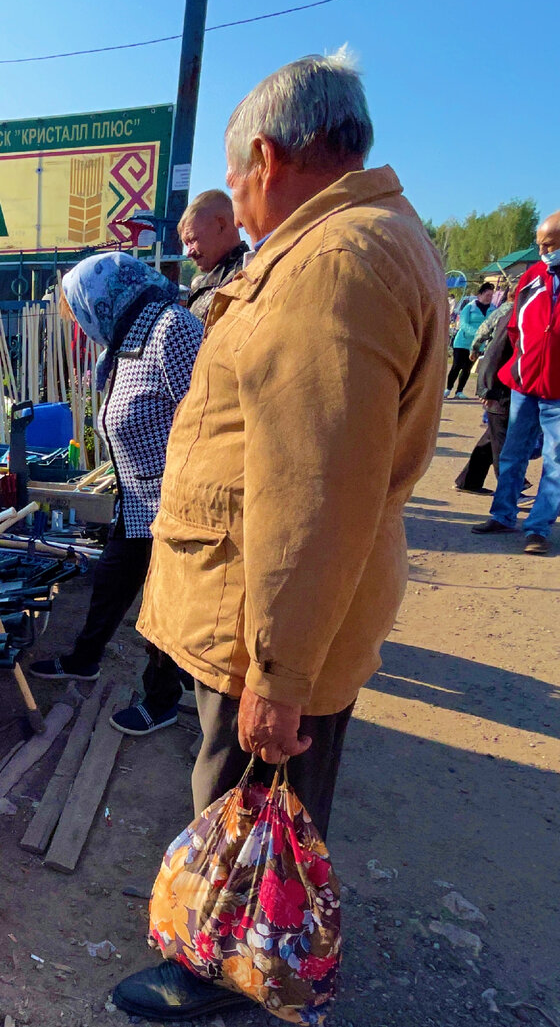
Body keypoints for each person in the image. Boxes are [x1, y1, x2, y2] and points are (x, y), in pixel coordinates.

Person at [112, 50, 446, 1022]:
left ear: (267, 155)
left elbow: (317, 489)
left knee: (247, 797)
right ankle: (255, 960)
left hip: (269, 622)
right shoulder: (347, 246)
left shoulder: (335, 264)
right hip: (270, 609)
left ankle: (226, 978)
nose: (239, 213)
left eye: (240, 190)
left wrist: (278, 672)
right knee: (270, 810)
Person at [28, 252, 203, 735]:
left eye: (81, 314)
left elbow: (208, 422)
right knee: (110, 584)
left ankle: (163, 697)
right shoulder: (130, 339)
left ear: (105, 298)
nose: (84, 328)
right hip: (137, 501)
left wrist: (183, 498)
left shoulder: (173, 330)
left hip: (175, 504)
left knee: (163, 608)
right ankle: (85, 659)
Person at [471, 211, 560, 555]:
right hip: (524, 382)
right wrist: (520, 361)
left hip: (557, 390)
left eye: (549, 244)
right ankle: (503, 514)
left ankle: (537, 528)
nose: (543, 251)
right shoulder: (533, 278)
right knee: (512, 452)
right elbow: (513, 328)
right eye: (539, 244)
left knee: (555, 460)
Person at [453, 304, 513, 493]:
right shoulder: (513, 312)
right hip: (501, 385)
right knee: (501, 434)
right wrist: (486, 389)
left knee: (493, 434)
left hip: (513, 385)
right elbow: (494, 350)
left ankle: (469, 480)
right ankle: (511, 488)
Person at [179, 189, 248, 323]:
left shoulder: (245, 277)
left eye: (193, 240)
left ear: (221, 225)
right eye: (186, 244)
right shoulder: (214, 280)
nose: (189, 252)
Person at [446, 282, 496, 397]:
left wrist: (485, 337)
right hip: (462, 342)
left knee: (467, 368)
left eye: (491, 296)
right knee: (456, 366)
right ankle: (448, 389)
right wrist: (478, 333)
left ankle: (459, 391)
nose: (490, 298)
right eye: (487, 295)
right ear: (480, 295)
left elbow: (493, 324)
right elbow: (463, 324)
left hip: (478, 345)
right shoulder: (469, 307)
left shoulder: (493, 309)